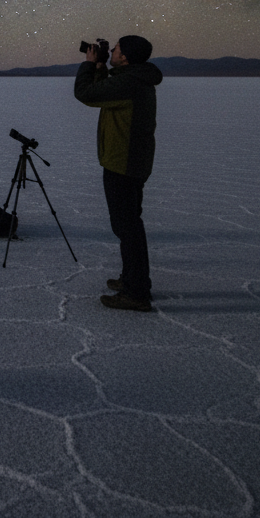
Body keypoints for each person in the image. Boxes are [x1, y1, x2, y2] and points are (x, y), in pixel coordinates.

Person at [75, 35, 163, 312]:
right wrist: (101, 67)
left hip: (123, 163)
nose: (111, 51)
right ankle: (132, 280)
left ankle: (136, 293)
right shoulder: (133, 77)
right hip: (128, 161)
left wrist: (88, 65)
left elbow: (87, 95)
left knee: (128, 228)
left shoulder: (129, 81)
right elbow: (104, 93)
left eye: (116, 49)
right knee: (127, 225)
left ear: (125, 57)